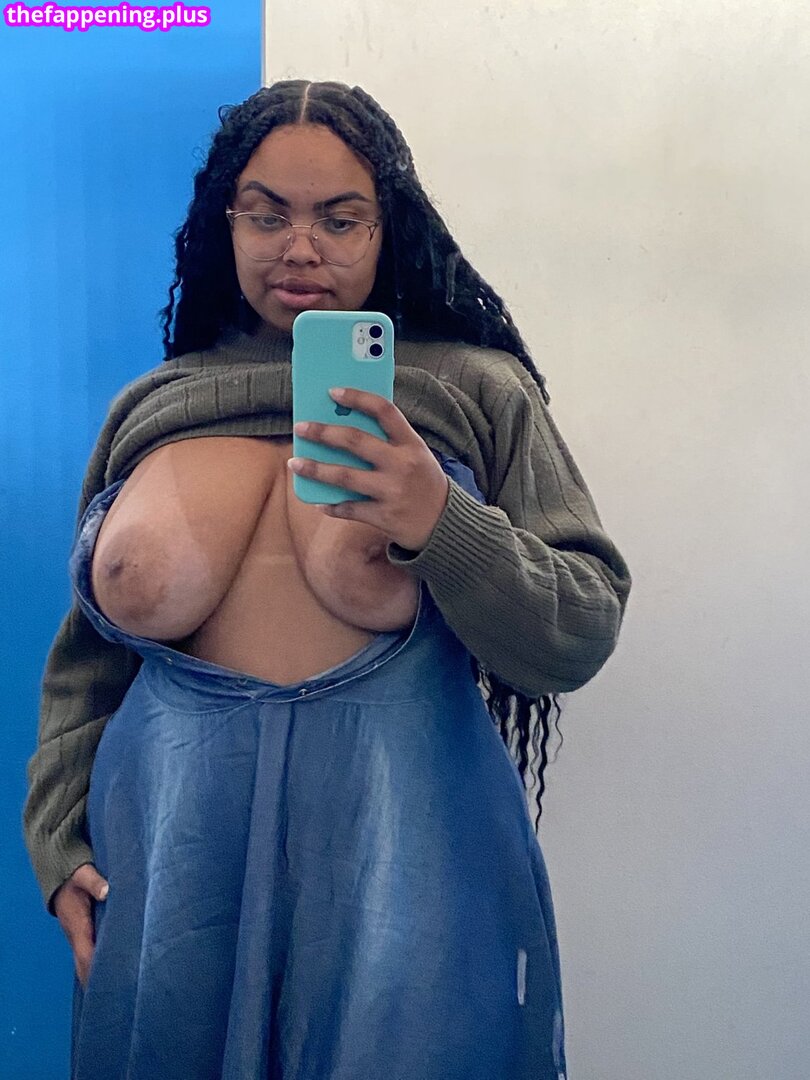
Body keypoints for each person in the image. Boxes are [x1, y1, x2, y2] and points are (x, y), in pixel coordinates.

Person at [23, 80, 631, 1079]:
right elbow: (88, 667)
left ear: (389, 227)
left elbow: (579, 630)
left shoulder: (476, 392)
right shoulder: (153, 408)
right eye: (267, 215)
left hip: (407, 867)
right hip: (170, 869)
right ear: (226, 221)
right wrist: (57, 845)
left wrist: (440, 520)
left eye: (340, 219)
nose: (299, 248)